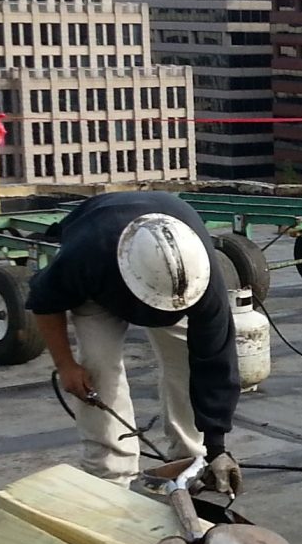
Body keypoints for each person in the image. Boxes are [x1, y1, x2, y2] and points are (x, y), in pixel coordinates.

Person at [27, 191, 242, 493]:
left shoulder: (201, 281)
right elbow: (44, 302)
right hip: (99, 282)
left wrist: (218, 446)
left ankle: (191, 458)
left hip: (167, 252)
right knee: (97, 370)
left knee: (187, 363)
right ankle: (110, 475)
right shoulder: (86, 256)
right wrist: (65, 365)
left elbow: (216, 363)